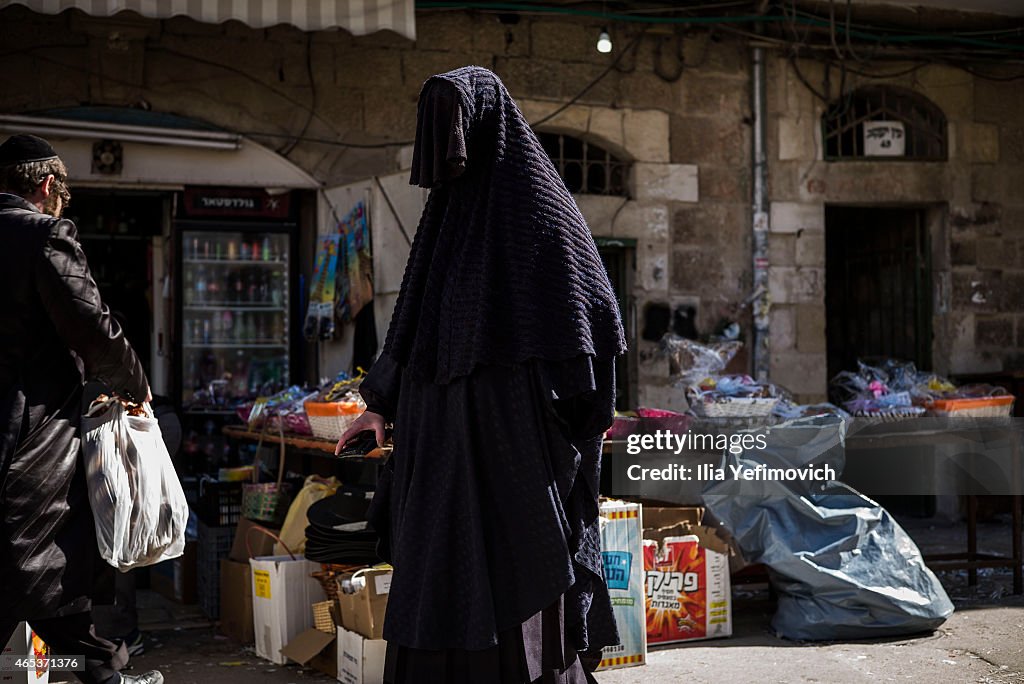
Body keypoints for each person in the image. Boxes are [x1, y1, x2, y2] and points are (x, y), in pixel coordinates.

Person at [337, 67, 627, 683]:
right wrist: (377, 405)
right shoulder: (444, 220)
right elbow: (410, 323)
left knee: (514, 574)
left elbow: (591, 318)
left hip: (513, 451)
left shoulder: (543, 209)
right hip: (438, 451)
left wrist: (572, 415)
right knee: (439, 575)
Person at [0, 134, 164, 684]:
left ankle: (104, 673)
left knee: (43, 583)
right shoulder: (42, 234)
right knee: (42, 571)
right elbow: (91, 325)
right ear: (48, 186)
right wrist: (135, 385)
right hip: (28, 440)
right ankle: (104, 672)